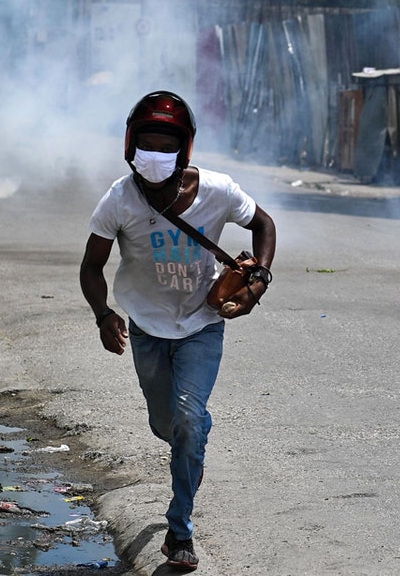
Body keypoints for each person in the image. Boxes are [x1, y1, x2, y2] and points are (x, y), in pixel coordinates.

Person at [79, 90, 276, 572]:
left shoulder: (218, 190)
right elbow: (91, 265)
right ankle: (190, 438)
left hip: (201, 325)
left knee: (189, 419)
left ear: (185, 147)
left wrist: (260, 275)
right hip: (146, 328)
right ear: (130, 143)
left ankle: (179, 530)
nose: (155, 152)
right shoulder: (118, 199)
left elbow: (263, 223)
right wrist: (104, 313)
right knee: (167, 426)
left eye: (166, 143)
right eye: (147, 141)